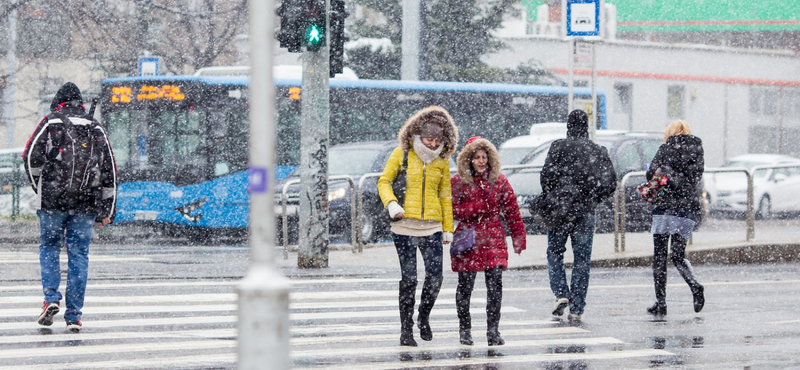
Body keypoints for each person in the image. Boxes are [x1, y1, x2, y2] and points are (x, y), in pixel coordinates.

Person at [23, 82, 117, 332]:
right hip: (85, 204)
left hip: (53, 202)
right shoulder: (95, 127)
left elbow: (30, 156)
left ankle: (51, 299)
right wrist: (107, 210)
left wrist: (40, 186)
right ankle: (74, 316)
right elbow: (109, 171)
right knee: (79, 256)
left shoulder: (51, 122)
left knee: (50, 248)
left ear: (58, 102)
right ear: (81, 103)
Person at [378, 105, 458, 346]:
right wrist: (391, 204)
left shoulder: (442, 160)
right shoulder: (401, 154)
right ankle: (406, 330)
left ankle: (423, 316)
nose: (433, 144)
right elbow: (384, 182)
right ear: (417, 136)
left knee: (435, 278)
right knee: (410, 279)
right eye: (428, 139)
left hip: (432, 227)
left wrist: (448, 227)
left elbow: (445, 195)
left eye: (437, 140)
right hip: (403, 226)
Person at [540, 109, 616, 322]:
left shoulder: (557, 147)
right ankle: (577, 307)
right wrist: (592, 198)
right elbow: (610, 182)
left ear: (568, 126)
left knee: (555, 251)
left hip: (560, 210)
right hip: (584, 211)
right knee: (582, 259)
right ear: (586, 127)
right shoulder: (597, 150)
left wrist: (554, 195)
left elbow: (545, 176)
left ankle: (561, 293)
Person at [450, 136, 526, 346]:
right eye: (476, 157)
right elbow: (451, 210)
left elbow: (512, 211)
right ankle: (465, 330)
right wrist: (474, 209)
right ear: (469, 160)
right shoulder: (457, 182)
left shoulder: (499, 181)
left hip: (493, 238)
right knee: (465, 287)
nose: (481, 161)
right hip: (469, 238)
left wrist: (518, 238)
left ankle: (493, 331)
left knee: (495, 287)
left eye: (484, 157)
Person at [646, 120, 705, 316]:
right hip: (687, 208)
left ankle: (661, 302)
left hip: (665, 207)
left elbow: (651, 174)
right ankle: (695, 285)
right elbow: (696, 177)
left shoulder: (666, 148)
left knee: (660, 256)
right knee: (678, 255)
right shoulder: (697, 150)